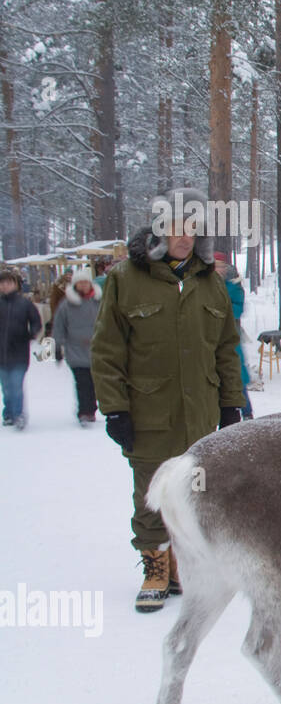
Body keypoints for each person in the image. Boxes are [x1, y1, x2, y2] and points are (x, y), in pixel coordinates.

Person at [91, 188, 245, 612]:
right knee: (151, 493)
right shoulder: (126, 279)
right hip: (148, 414)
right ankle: (155, 567)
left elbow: (226, 350)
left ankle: (182, 566)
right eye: (177, 226)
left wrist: (232, 404)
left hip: (199, 417)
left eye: (193, 228)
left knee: (194, 493)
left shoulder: (210, 283)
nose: (185, 236)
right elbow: (106, 351)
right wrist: (115, 408)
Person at [51, 267, 101, 425]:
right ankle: (84, 412)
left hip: (97, 350)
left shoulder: (99, 301)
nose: (84, 285)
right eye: (80, 283)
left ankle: (91, 409)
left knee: (94, 383)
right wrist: (57, 348)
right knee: (82, 382)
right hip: (76, 350)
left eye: (86, 282)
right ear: (75, 285)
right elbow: (58, 326)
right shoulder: (66, 305)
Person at [0, 266, 42, 429]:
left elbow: (36, 322)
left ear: (15, 284)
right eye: (2, 283)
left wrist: (30, 334)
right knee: (7, 388)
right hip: (1, 354)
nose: (5, 286)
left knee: (16, 385)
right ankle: (9, 413)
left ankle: (19, 415)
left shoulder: (24, 304)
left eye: (8, 283)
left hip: (19, 353)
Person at [213, 252, 254, 418]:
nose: (218, 269)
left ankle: (246, 412)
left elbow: (238, 309)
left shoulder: (233, 285)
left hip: (231, 336)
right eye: (215, 266)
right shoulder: (206, 283)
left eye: (221, 266)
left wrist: (218, 310)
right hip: (211, 338)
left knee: (236, 375)